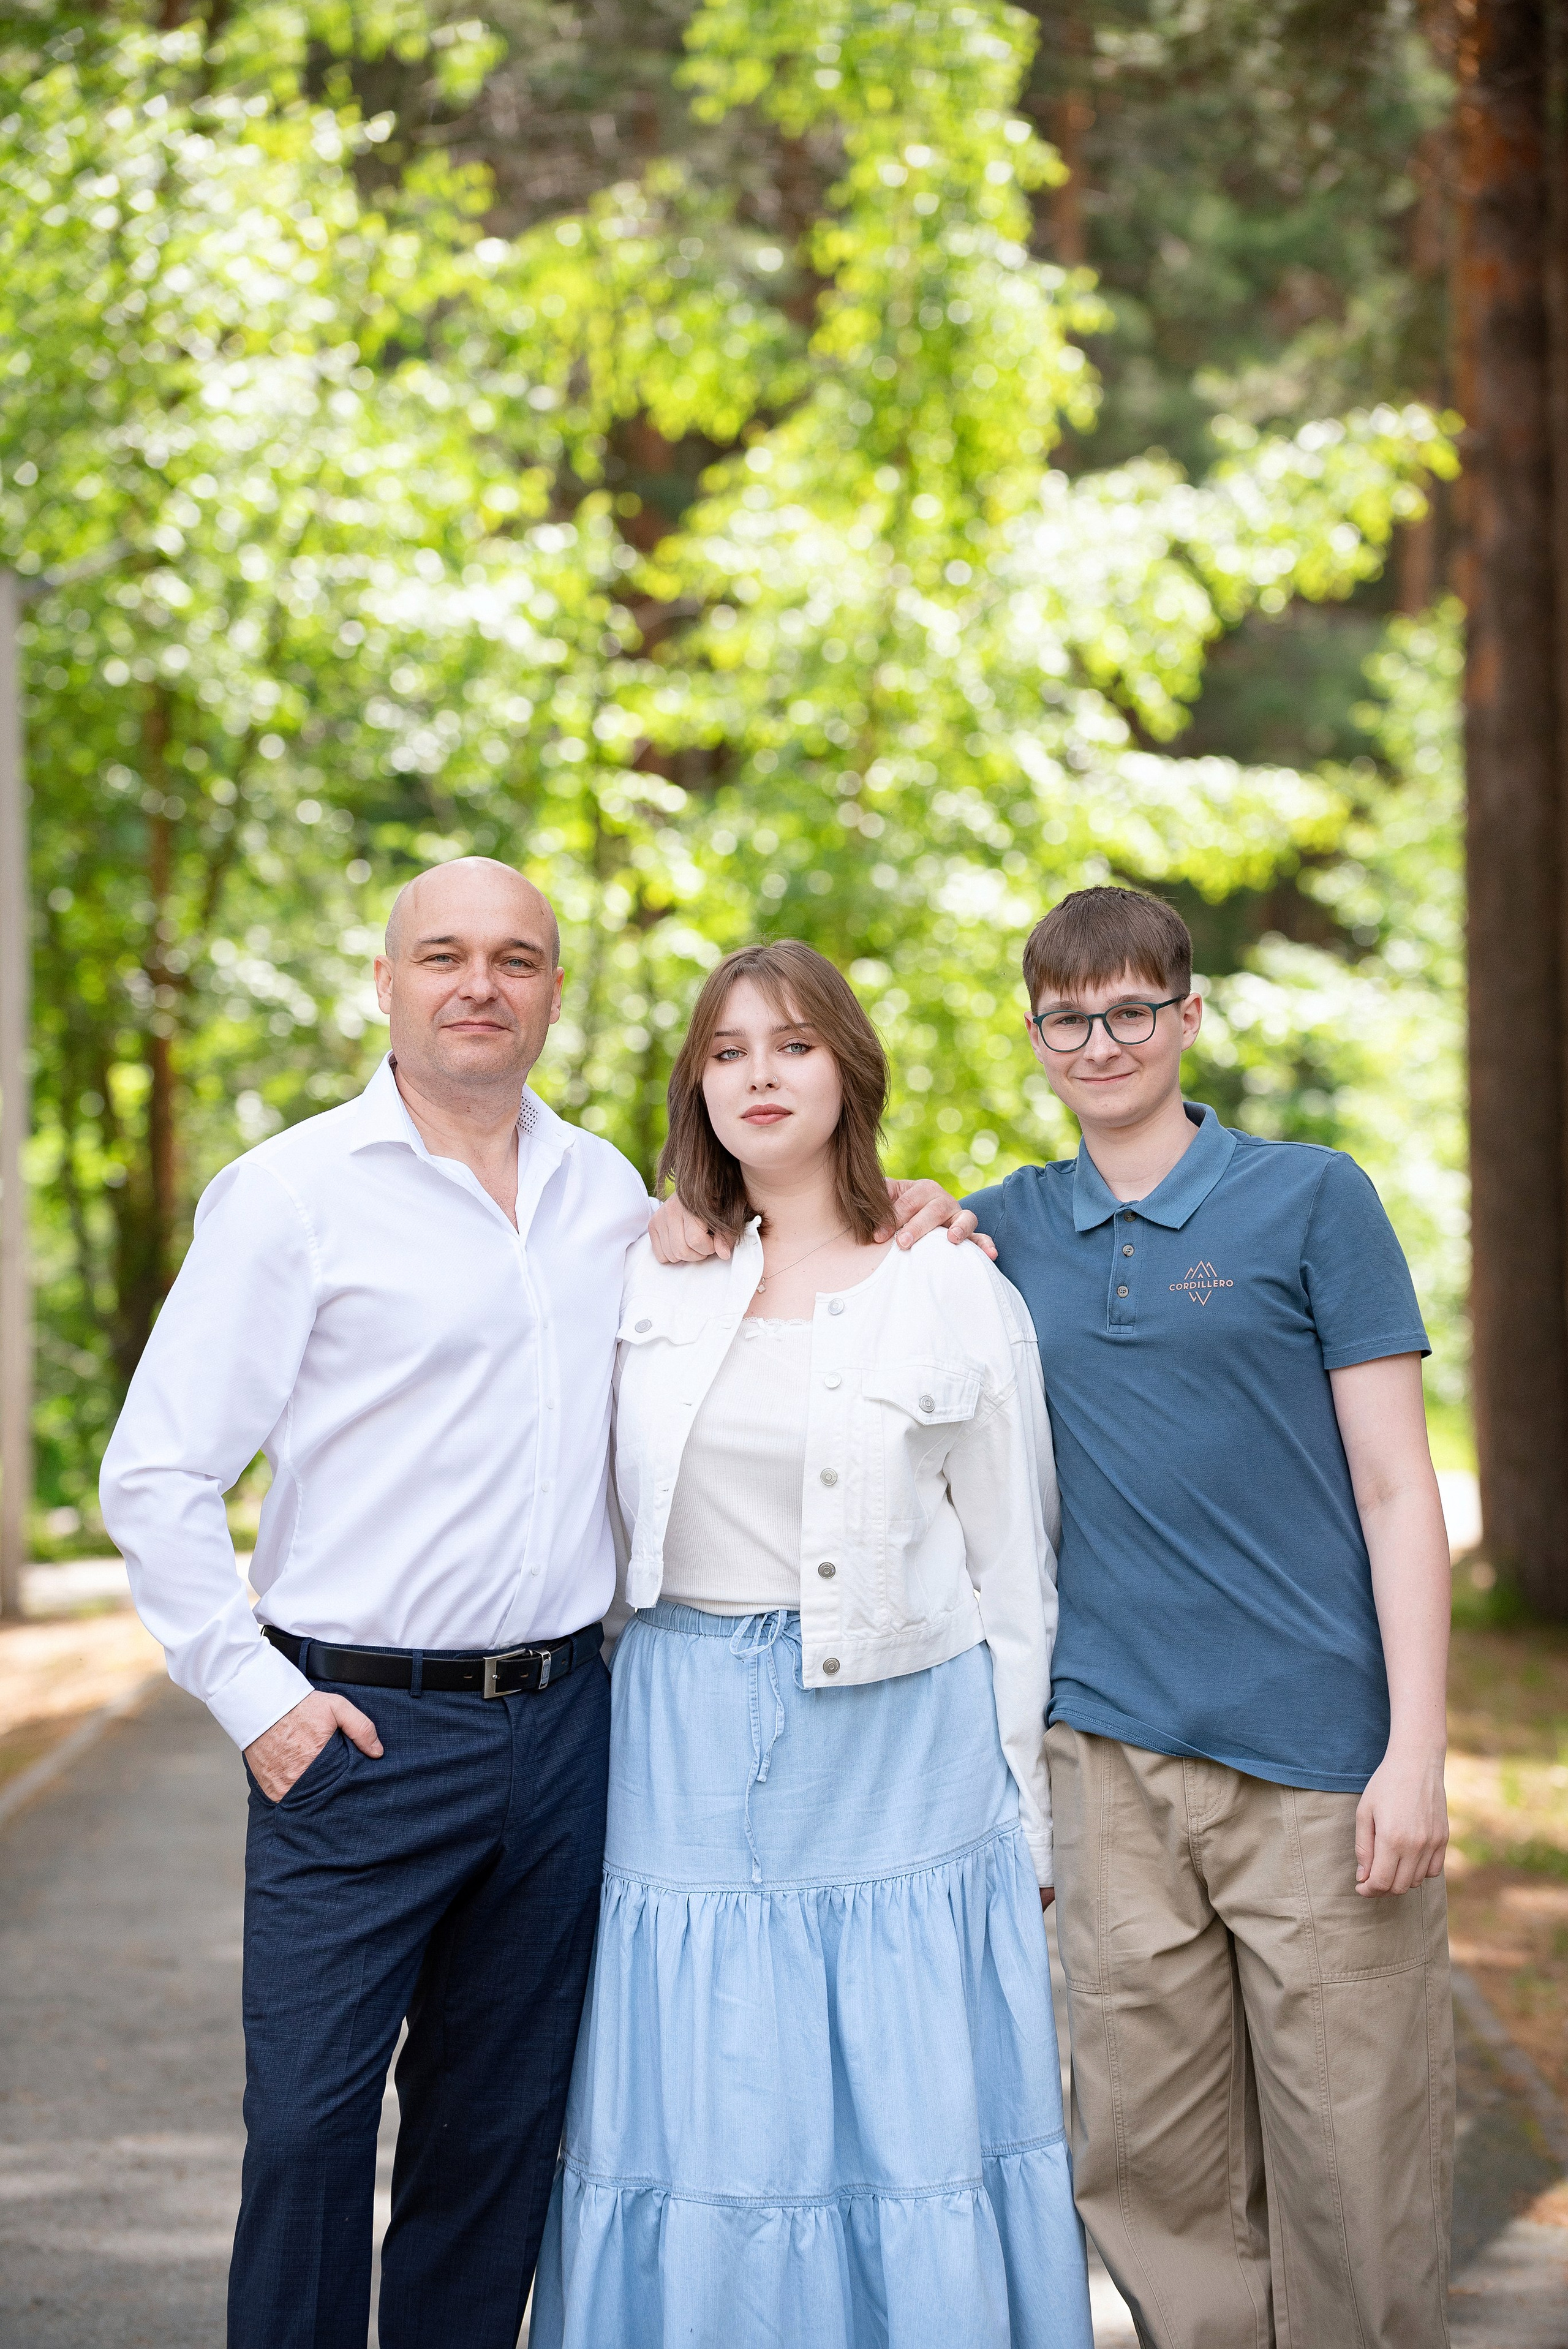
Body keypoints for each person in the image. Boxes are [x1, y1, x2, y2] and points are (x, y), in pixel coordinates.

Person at [98, 856, 969, 2349]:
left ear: (554, 995)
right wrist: (260, 1703)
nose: (478, 984)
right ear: (387, 984)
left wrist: (919, 1213)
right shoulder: (292, 1195)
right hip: (350, 1732)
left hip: (566, 1734)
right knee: (307, 2134)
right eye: (442, 955)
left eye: (515, 958)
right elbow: (157, 1472)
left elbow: (774, 1273)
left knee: (490, 2149)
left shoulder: (612, 1199)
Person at [531, 940, 1094, 2349]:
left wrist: (1022, 1819)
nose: (760, 1075)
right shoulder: (643, 1276)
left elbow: (1011, 1575)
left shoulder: (946, 1280)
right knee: (708, 2097)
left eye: (790, 1044)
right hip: (681, 1733)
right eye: (727, 1051)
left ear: (847, 1068)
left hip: (900, 1738)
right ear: (696, 1088)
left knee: (898, 2109)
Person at [964, 886, 1455, 2349]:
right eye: (1068, 1016)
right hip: (1107, 1762)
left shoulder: (1311, 1197)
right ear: (1036, 1036)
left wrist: (1414, 1749)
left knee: (1354, 2166)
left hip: (1318, 1763)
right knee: (1148, 2170)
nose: (1099, 1039)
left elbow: (1392, 1488)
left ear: (1187, 1016)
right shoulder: (998, 1230)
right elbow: (813, 1249)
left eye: (1129, 1009)